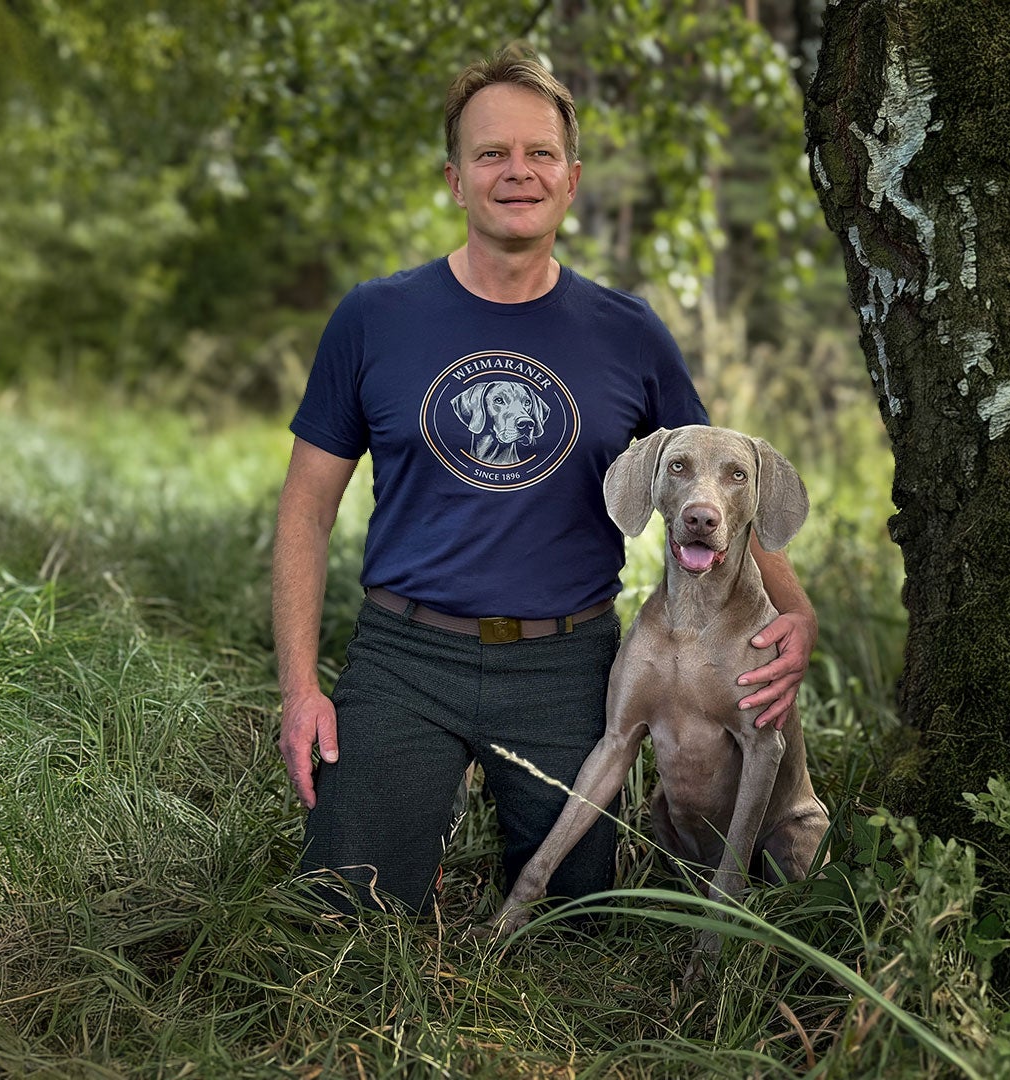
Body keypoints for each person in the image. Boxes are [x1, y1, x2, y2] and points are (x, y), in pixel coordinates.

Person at [272, 42, 816, 915]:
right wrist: (301, 689)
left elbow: (722, 487)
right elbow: (304, 509)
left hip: (567, 665)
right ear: (456, 179)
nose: (516, 171)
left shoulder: (628, 331)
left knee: (575, 915)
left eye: (539, 153)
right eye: (491, 153)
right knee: (344, 912)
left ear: (571, 177)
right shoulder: (374, 318)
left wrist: (795, 615)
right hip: (405, 654)